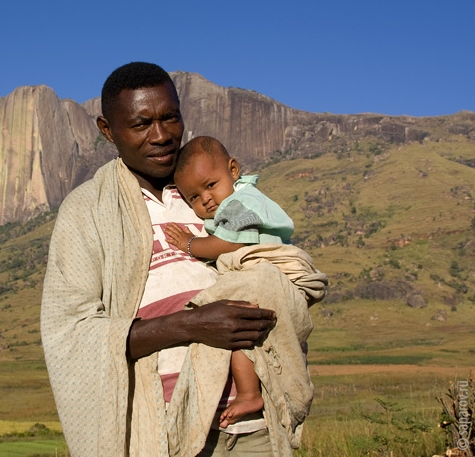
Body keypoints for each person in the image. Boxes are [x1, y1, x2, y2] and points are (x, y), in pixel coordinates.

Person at [41, 62, 289, 456]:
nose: (160, 136)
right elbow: (71, 334)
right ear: (107, 130)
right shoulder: (88, 210)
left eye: (169, 118)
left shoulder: (212, 192)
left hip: (254, 426)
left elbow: (275, 260)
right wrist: (191, 324)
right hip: (164, 429)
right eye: (141, 125)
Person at [162, 136, 296, 428]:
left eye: (210, 185)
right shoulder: (239, 199)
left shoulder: (240, 202)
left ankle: (248, 394)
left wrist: (189, 244)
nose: (206, 199)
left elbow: (227, 244)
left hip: (262, 274)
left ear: (233, 170)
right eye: (193, 198)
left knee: (235, 331)